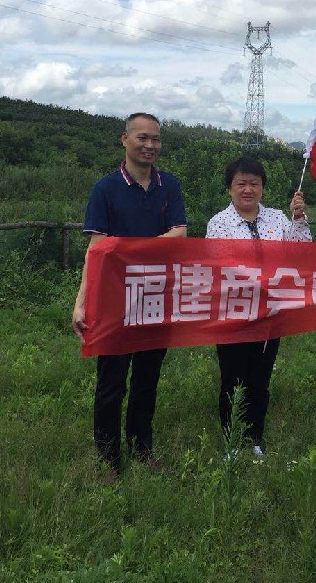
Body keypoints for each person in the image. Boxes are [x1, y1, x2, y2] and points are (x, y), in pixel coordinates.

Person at [72, 112, 187, 478]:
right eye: (142, 138)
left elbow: (180, 234)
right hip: (114, 299)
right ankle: (108, 458)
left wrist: (126, 250)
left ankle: (141, 448)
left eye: (155, 138)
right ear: (125, 140)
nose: (149, 145)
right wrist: (81, 301)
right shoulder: (104, 189)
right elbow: (96, 247)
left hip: (156, 294)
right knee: (112, 382)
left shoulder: (169, 186)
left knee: (147, 380)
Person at [205, 155, 310, 459]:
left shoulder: (278, 218)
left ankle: (254, 438)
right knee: (231, 379)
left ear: (262, 186)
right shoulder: (219, 223)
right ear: (229, 189)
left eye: (254, 183)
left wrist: (299, 219)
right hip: (232, 313)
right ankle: (231, 440)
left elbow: (302, 253)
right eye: (241, 183)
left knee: (259, 380)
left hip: (269, 313)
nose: (248, 189)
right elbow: (216, 267)